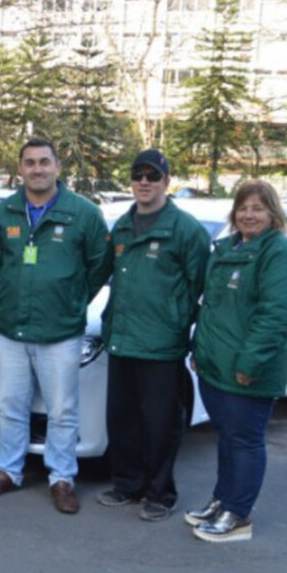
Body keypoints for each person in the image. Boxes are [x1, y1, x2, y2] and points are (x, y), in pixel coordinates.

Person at [0, 138, 111, 514]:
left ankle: (62, 478)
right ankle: (7, 471)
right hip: (11, 330)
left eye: (44, 162)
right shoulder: (5, 212)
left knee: (62, 410)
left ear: (57, 167)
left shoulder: (83, 213)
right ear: (20, 169)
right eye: (30, 163)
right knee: (11, 406)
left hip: (60, 332)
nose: (37, 169)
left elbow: (99, 265)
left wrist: (73, 299)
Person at [187, 180, 287, 542]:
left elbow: (274, 317)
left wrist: (249, 364)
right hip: (214, 365)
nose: (249, 215)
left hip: (246, 372)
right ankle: (222, 499)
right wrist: (199, 350)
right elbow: (215, 309)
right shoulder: (227, 249)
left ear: (272, 213)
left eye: (258, 208)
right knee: (228, 437)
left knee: (245, 440)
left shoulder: (280, 254)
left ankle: (238, 514)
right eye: (243, 208)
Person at [97, 149, 210, 521]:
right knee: (122, 418)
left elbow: (201, 287)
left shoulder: (186, 230)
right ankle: (127, 484)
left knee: (160, 425)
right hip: (122, 339)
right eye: (137, 174)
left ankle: (161, 494)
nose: (144, 181)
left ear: (166, 180)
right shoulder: (123, 226)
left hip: (161, 345)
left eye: (152, 175)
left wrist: (182, 327)